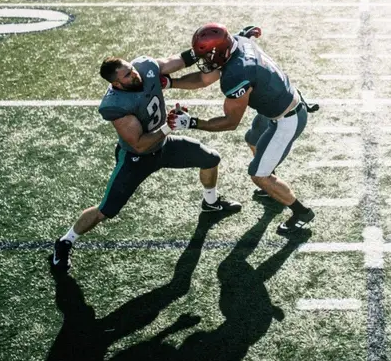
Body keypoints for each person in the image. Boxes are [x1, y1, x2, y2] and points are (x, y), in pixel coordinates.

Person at [51, 53, 241, 272]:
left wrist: (204, 50)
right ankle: (66, 241)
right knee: (105, 210)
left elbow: (178, 61)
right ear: (116, 83)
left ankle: (210, 202)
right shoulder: (116, 105)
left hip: (164, 145)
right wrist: (169, 126)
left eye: (131, 69)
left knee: (210, 158)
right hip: (136, 158)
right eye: (127, 75)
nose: (134, 75)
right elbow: (140, 144)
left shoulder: (145, 68)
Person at [165, 24, 316, 236]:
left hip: (287, 118)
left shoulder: (237, 75)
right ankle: (271, 184)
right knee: (253, 138)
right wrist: (170, 83)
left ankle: (301, 212)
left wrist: (191, 122)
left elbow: (230, 122)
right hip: (277, 103)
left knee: (258, 175)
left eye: (209, 56)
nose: (206, 61)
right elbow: (202, 79)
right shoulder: (237, 43)